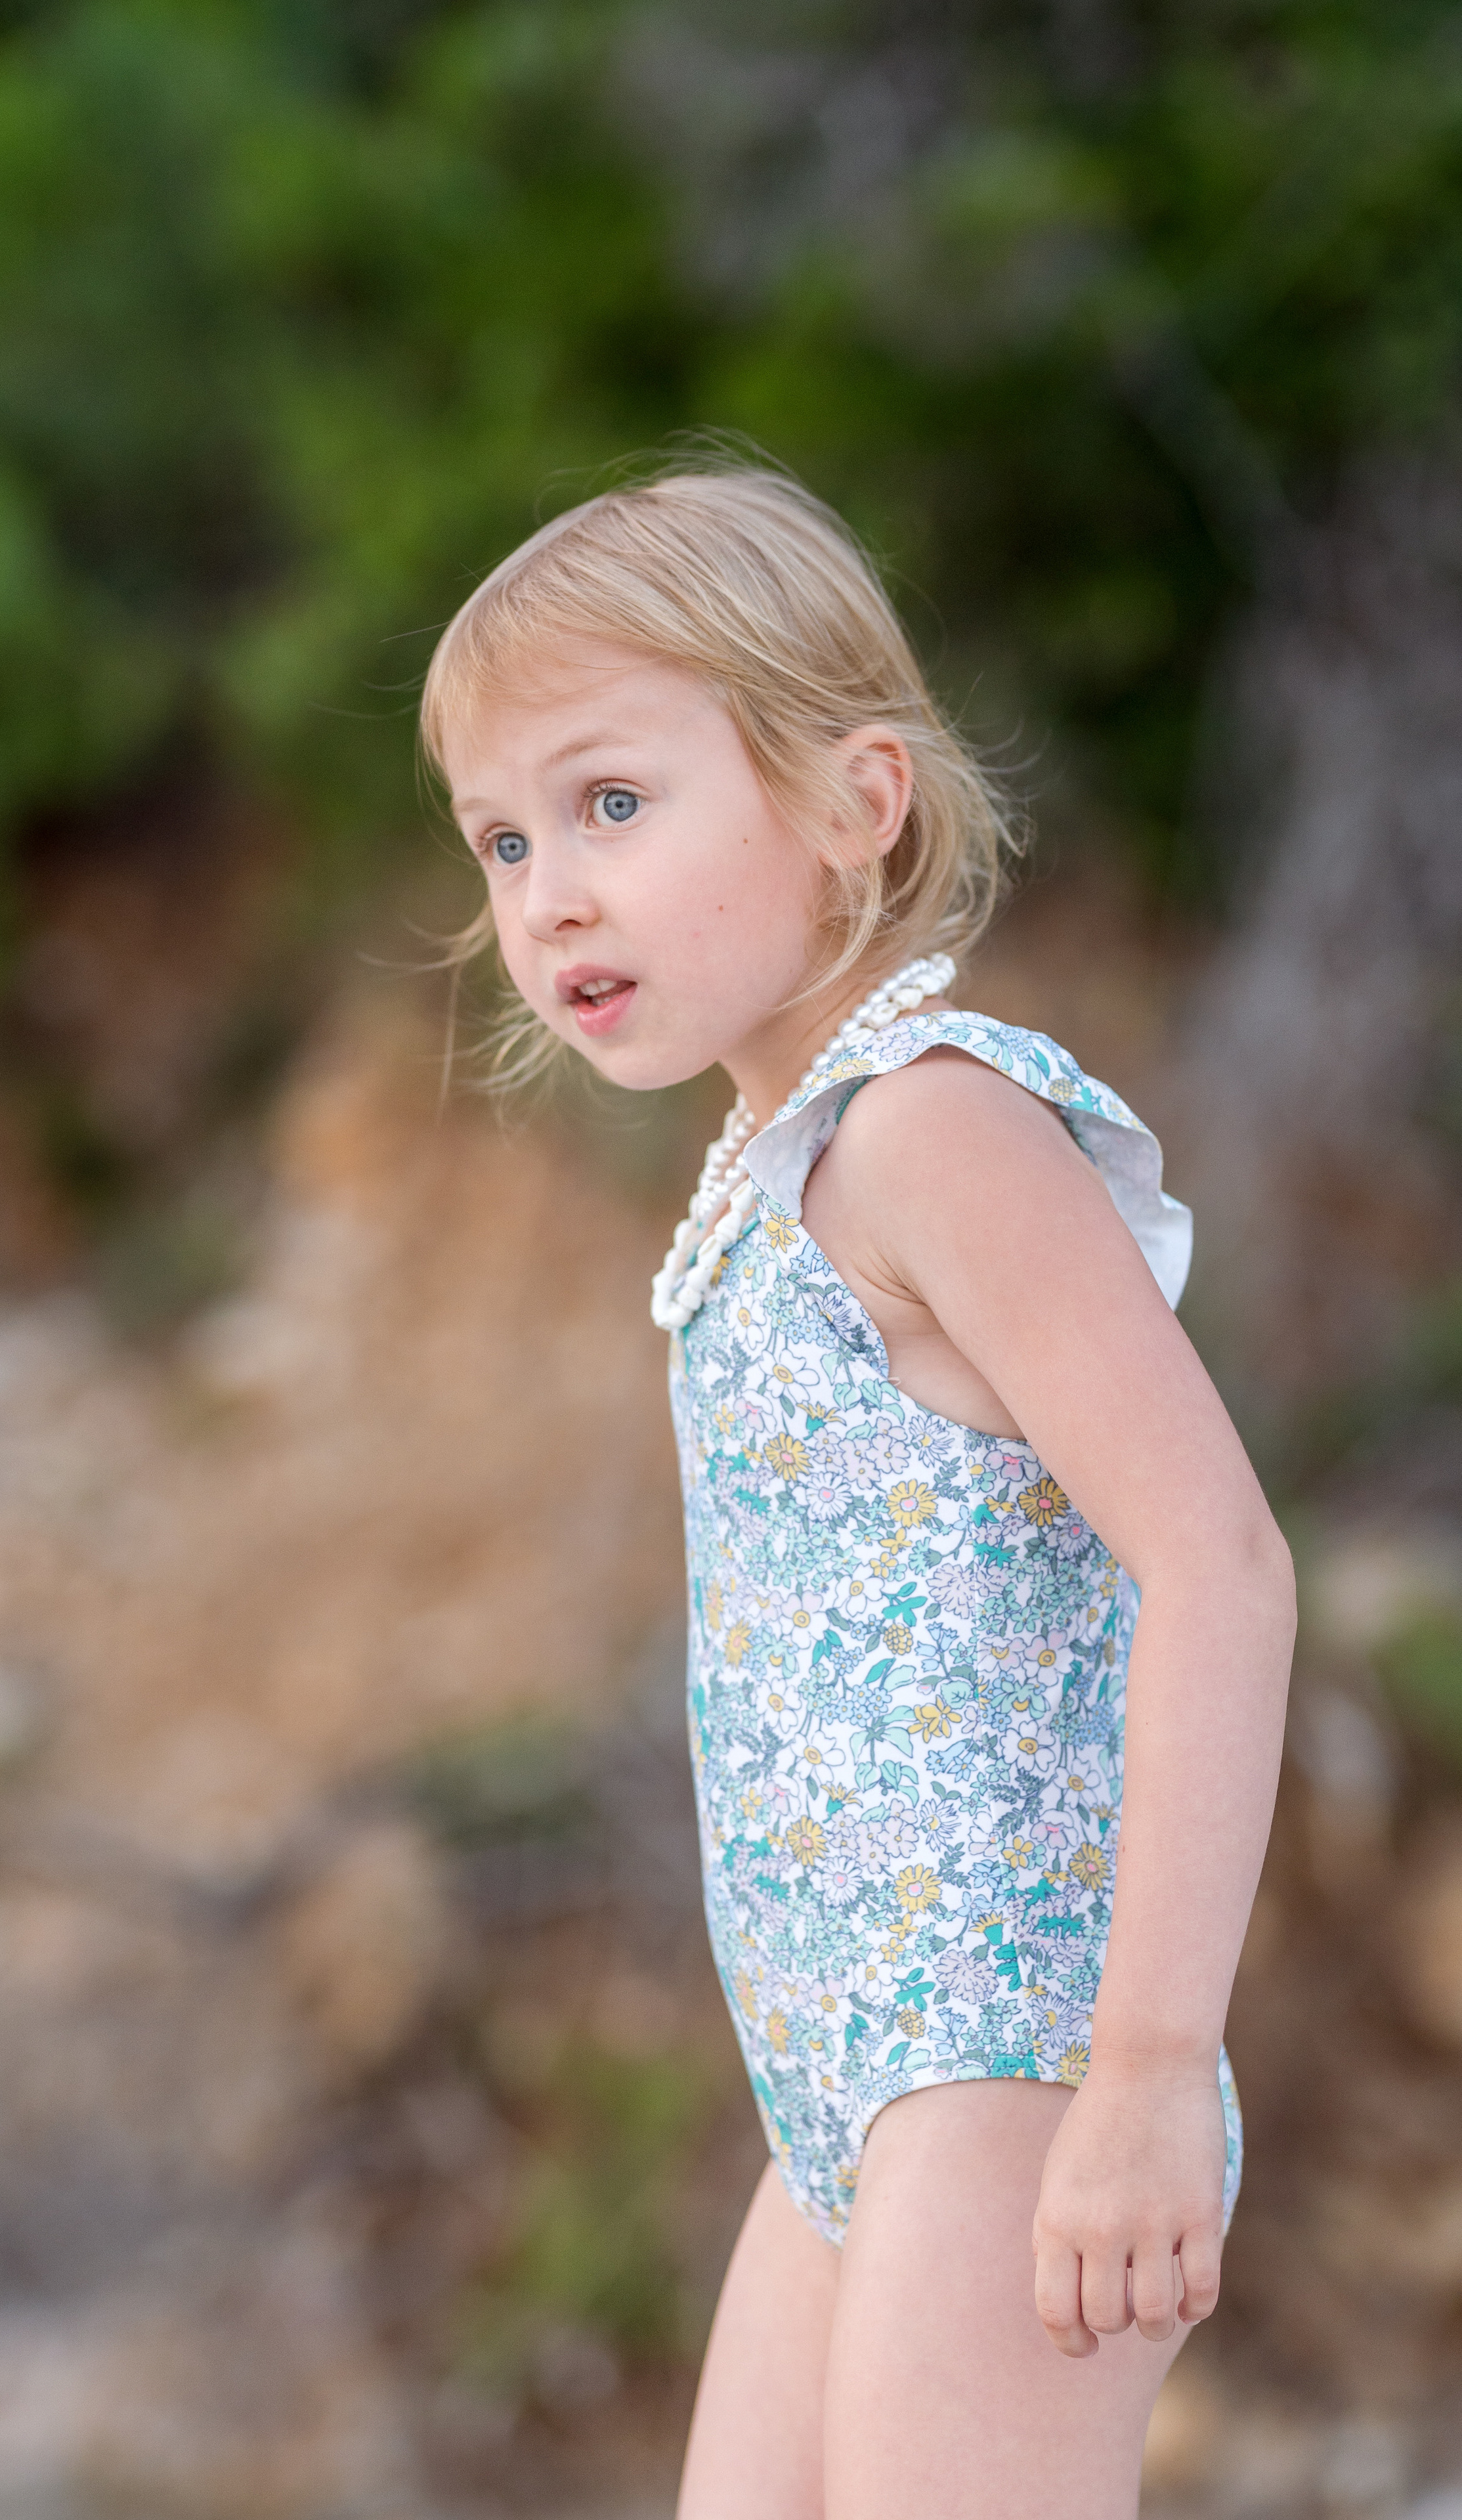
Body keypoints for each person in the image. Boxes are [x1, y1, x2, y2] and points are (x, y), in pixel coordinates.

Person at [419, 459, 1294, 2520]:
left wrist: (1148, 2070)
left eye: (611, 803)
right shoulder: (780, 1180)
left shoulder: (932, 1133)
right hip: (842, 2086)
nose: (548, 894)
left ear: (852, 801)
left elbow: (1223, 1563)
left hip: (1011, 2052)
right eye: (504, 838)